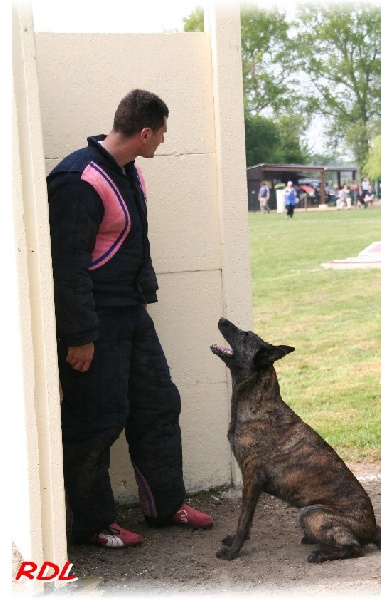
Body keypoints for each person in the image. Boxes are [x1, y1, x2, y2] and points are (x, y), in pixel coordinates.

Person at [47, 89, 213, 549]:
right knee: (96, 422)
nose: (163, 140)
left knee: (159, 405)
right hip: (94, 325)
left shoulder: (127, 170)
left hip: (131, 314)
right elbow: (66, 266)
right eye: (161, 133)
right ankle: (91, 524)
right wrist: (79, 335)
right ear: (144, 133)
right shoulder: (77, 179)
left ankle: (165, 505)